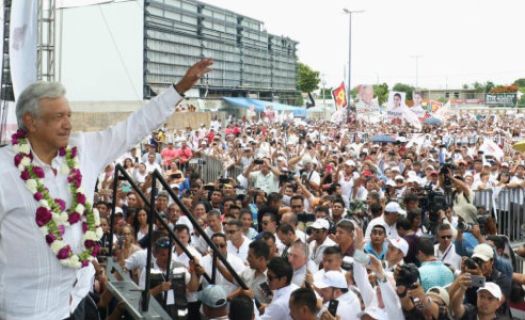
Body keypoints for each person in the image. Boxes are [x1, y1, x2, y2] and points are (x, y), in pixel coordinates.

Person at [0, 59, 212, 320]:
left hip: (78, 300)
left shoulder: (83, 150)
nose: (68, 124)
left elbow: (133, 127)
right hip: (24, 312)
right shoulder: (5, 171)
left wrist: (180, 88)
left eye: (68, 115)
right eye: (58, 117)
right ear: (30, 122)